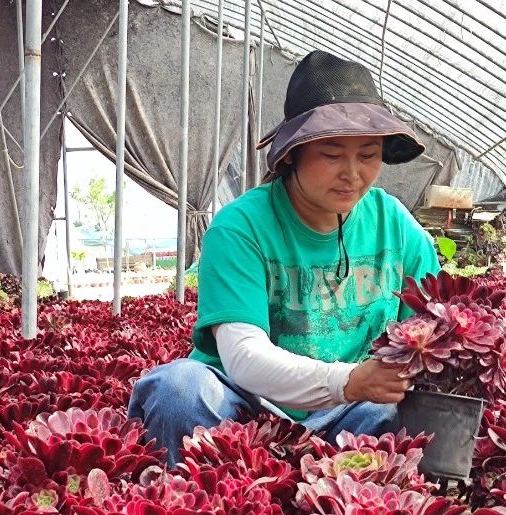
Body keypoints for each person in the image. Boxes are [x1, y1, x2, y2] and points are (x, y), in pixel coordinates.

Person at [128, 50, 441, 467]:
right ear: (291, 153)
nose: (352, 173)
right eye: (332, 154)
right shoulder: (240, 228)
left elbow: (432, 327)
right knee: (178, 390)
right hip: (244, 404)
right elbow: (243, 357)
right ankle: (196, 512)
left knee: (401, 417)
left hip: (352, 411)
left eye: (367, 155)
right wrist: (348, 380)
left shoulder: (395, 225)